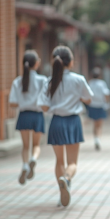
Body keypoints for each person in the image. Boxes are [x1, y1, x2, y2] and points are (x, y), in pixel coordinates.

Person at [37, 46, 93, 207]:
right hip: (73, 122)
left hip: (56, 122)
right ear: (71, 62)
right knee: (72, 163)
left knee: (59, 161)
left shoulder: (49, 81)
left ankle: (62, 188)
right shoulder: (78, 79)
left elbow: (44, 106)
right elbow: (89, 99)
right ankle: (67, 179)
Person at [9, 50, 47, 185]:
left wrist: (23, 102)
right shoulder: (43, 80)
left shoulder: (18, 81)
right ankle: (34, 159)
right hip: (37, 115)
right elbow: (46, 100)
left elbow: (12, 103)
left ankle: (25, 165)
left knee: (25, 146)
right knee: (36, 145)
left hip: (24, 115)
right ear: (36, 64)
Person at [86, 67, 110, 151]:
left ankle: (95, 139)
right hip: (100, 105)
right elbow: (106, 93)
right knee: (99, 125)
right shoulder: (102, 83)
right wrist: (107, 103)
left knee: (94, 123)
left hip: (92, 105)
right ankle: (98, 139)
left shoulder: (89, 83)